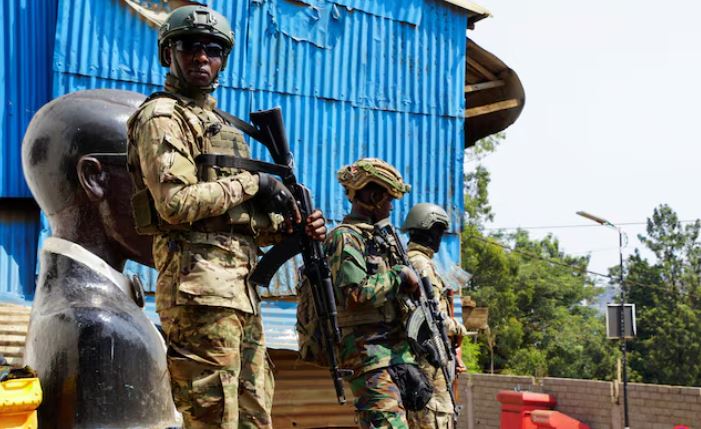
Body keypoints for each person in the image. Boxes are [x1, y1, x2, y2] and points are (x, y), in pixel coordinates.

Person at [126, 5, 326, 428]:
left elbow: (237, 225)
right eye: (190, 47)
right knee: (214, 419)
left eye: (214, 49)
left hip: (241, 291)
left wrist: (291, 228)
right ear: (169, 54)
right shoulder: (163, 117)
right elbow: (176, 204)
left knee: (255, 417)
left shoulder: (223, 125)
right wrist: (253, 184)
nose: (202, 57)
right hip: (197, 293)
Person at [21, 89, 177, 428]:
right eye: (157, 177)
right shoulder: (101, 327)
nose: (174, 201)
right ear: (94, 178)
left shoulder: (72, 307)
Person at [327, 158, 432, 429]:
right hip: (368, 355)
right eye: (388, 200)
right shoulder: (345, 238)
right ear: (373, 197)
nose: (391, 207)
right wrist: (399, 276)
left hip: (394, 353)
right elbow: (355, 293)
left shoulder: (381, 239)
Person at [402, 203, 469, 429]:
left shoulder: (412, 260)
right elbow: (430, 316)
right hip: (427, 359)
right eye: (438, 231)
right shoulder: (421, 264)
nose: (440, 237)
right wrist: (458, 328)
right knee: (435, 416)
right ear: (428, 230)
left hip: (425, 357)